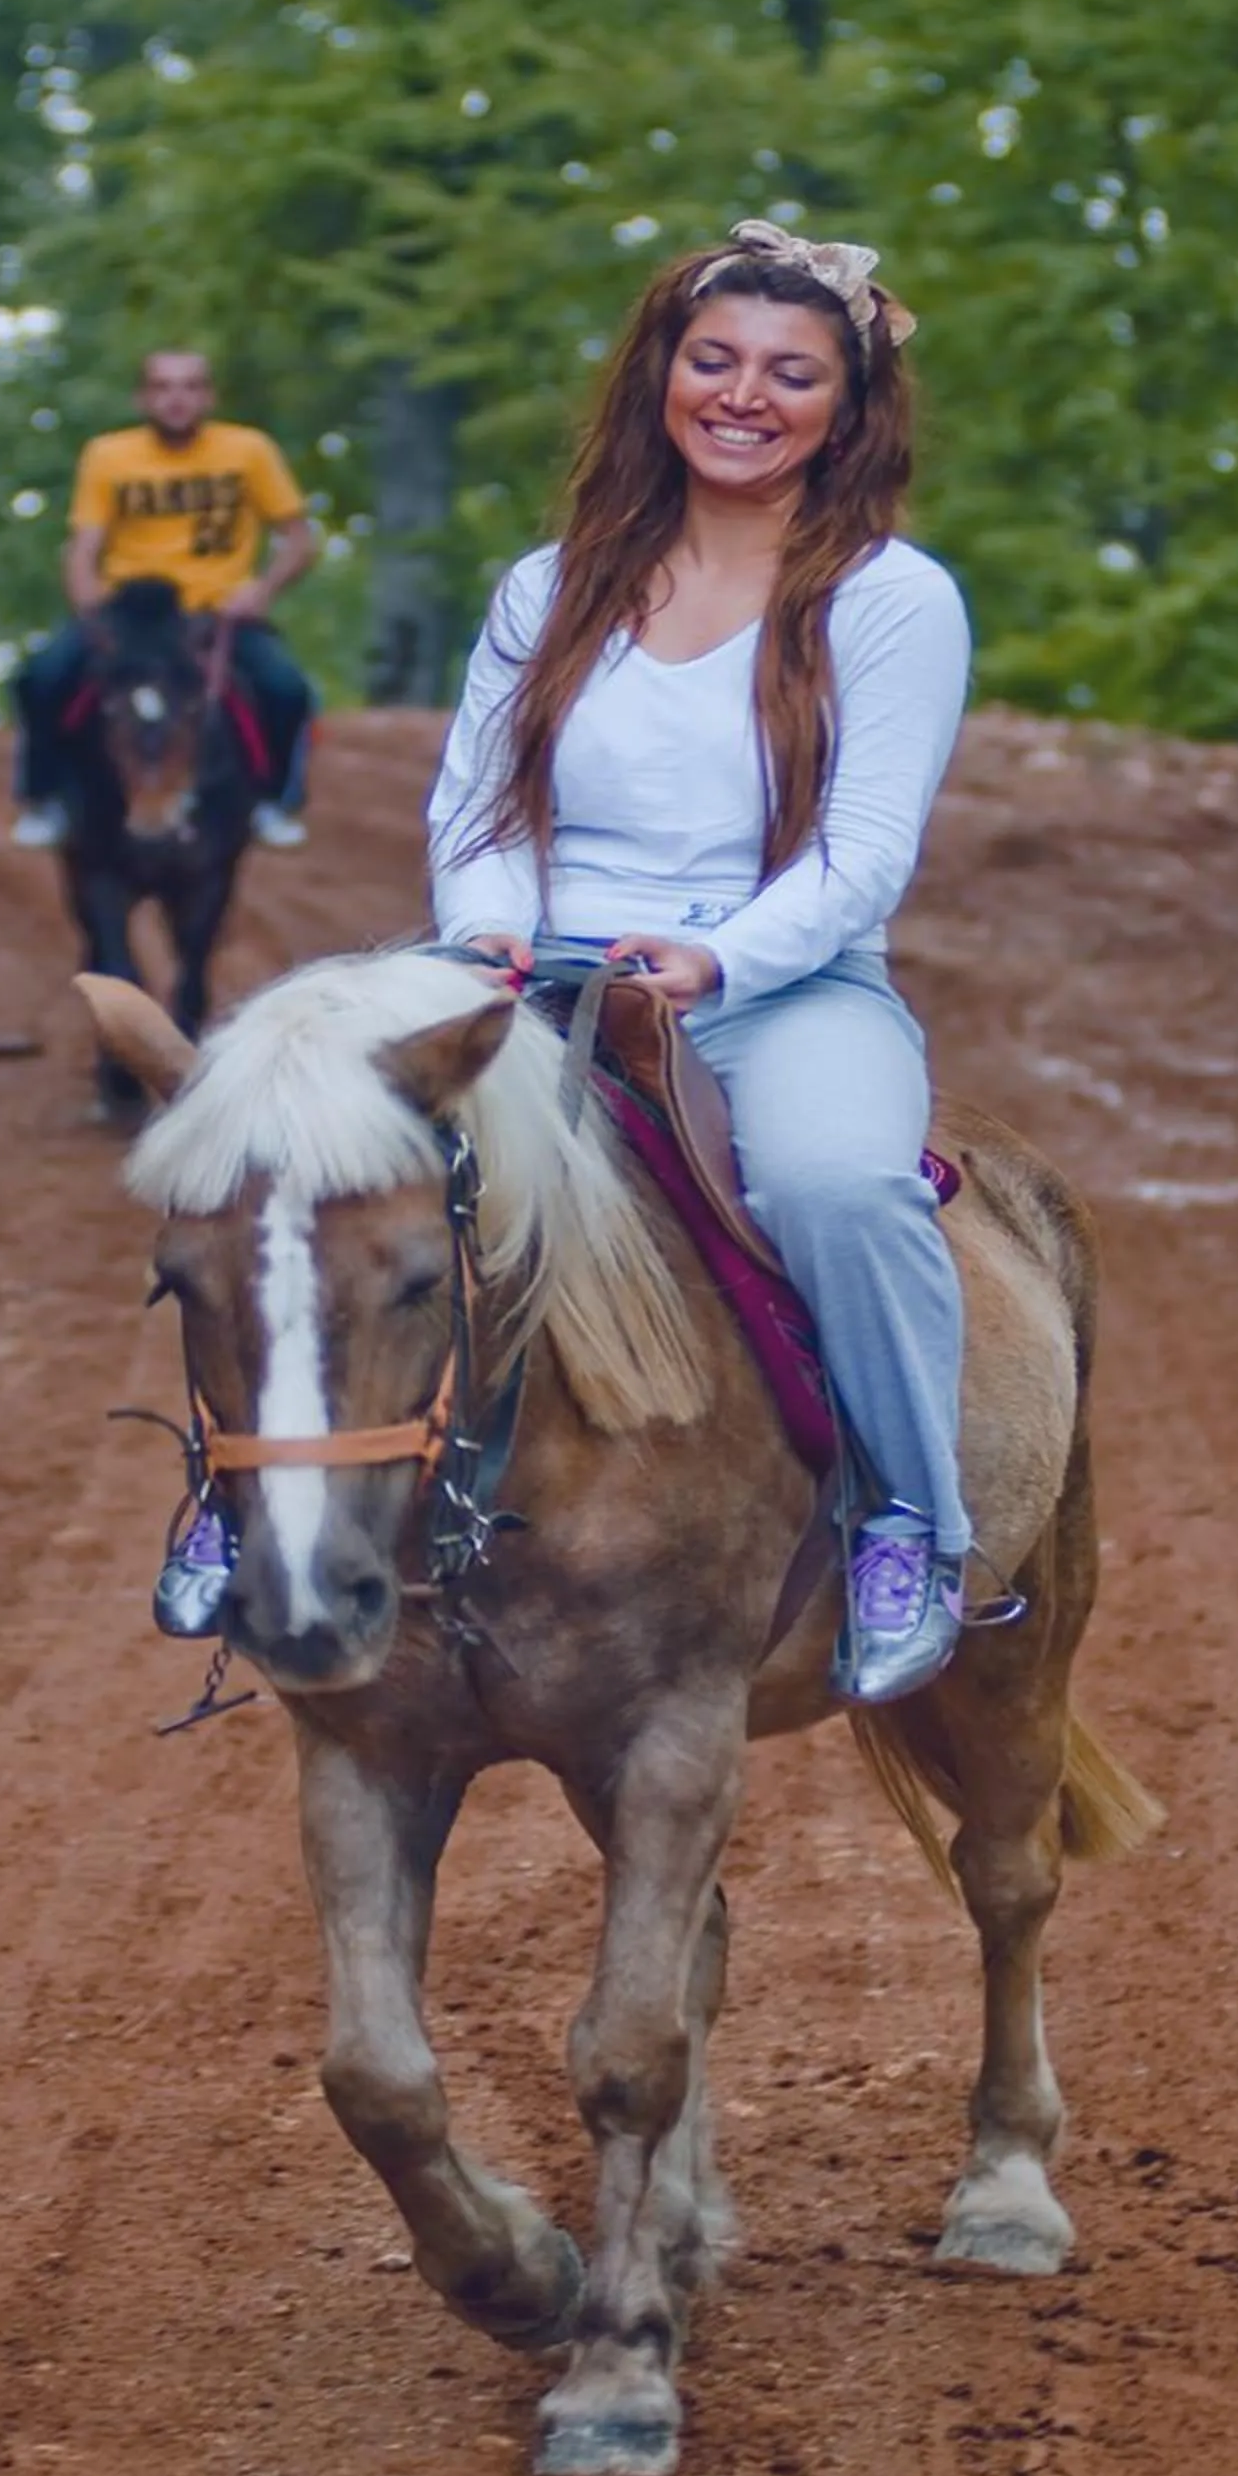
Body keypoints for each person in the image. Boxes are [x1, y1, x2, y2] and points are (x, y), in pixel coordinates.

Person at [427, 217, 973, 1704]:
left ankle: (911, 1523)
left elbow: (866, 850)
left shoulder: (891, 598)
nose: (744, 396)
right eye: (714, 359)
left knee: (840, 1189)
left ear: (847, 413)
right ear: (659, 378)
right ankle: (248, 1503)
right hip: (534, 973)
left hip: (777, 986)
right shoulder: (552, 586)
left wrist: (718, 960)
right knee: (317, 1151)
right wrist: (486, 931)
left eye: (792, 374)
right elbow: (481, 810)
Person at [10, 349, 322, 851]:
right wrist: (90, 609)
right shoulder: (108, 455)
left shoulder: (249, 450)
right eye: (163, 387)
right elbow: (83, 548)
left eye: (190, 386)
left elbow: (299, 538)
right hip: (130, 610)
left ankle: (273, 800)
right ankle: (42, 796)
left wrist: (261, 590)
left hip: (216, 610)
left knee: (286, 688)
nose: (177, 399)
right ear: (142, 398)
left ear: (209, 396)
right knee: (42, 676)